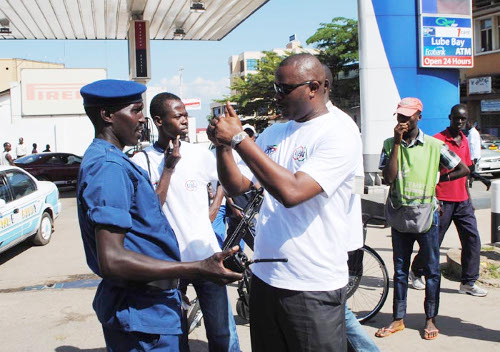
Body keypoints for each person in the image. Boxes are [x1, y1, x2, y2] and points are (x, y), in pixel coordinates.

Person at [208, 53, 361, 351]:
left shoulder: (339, 132)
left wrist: (240, 139)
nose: (277, 96)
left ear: (315, 87)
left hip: (311, 284)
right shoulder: (276, 132)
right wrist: (224, 148)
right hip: (266, 277)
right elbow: (239, 186)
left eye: (285, 89)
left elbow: (292, 193)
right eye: (275, 88)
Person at [77, 79, 241, 351]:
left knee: (223, 335)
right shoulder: (109, 167)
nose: (142, 121)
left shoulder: (113, 161)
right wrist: (195, 268)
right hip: (142, 310)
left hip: (151, 305)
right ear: (107, 115)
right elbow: (112, 259)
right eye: (135, 111)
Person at [132, 92, 240, 351]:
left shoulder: (199, 154)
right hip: (169, 265)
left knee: (224, 335)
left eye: (185, 114)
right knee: (174, 336)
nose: (184, 119)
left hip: (206, 258)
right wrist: (168, 168)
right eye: (177, 115)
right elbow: (151, 211)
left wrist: (215, 207)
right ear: (158, 120)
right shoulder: (141, 161)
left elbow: (226, 179)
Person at [376, 97, 469, 341]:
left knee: (431, 270)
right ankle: (398, 318)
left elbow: (462, 168)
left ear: (419, 116)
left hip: (427, 214)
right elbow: (388, 177)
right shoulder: (388, 144)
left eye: (408, 116)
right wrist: (396, 143)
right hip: (399, 214)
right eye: (400, 116)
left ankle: (430, 319)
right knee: (399, 269)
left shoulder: (434, 145)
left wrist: (440, 180)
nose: (403, 120)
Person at [323, 64, 380, 352]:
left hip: (338, 236)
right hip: (341, 232)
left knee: (336, 309)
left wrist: (348, 210)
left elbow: (355, 183)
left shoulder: (337, 124)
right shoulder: (330, 121)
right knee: (336, 310)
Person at [410, 104, 487, 297]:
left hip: (462, 201)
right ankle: (417, 271)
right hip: (442, 200)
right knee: (433, 242)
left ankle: (468, 282)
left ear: (467, 120)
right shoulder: (438, 141)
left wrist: (469, 199)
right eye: (456, 118)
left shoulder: (465, 141)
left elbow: (466, 173)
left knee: (472, 240)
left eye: (463, 119)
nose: (459, 122)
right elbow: (430, 171)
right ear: (449, 117)